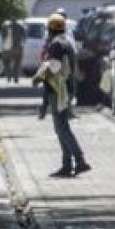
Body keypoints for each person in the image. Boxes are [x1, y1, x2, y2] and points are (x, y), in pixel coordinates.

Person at [32, 14, 91, 178]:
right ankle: (67, 165)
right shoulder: (66, 42)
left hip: (59, 90)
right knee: (61, 128)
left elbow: (53, 67)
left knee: (62, 128)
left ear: (50, 29)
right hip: (65, 89)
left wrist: (38, 76)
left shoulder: (57, 44)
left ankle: (80, 161)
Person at [1, 19, 25, 83]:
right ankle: (15, 77)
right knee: (17, 63)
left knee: (6, 62)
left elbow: (2, 36)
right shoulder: (20, 26)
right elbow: (24, 36)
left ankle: (9, 76)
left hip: (7, 47)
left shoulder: (5, 25)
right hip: (17, 46)